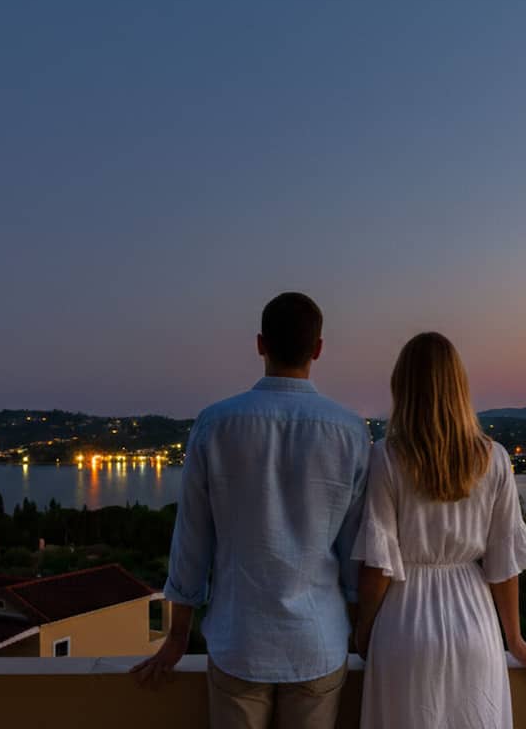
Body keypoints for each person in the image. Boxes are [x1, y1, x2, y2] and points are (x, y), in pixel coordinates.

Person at [131, 292, 370, 728]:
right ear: (318, 349)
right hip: (318, 643)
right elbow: (356, 549)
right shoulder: (350, 431)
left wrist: (177, 637)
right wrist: (360, 631)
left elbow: (191, 539)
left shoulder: (215, 424)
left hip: (239, 640)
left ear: (260, 344)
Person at [353, 332, 526, 729]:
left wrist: (364, 632)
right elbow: (504, 562)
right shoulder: (494, 457)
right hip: (475, 623)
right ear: (460, 387)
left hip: (403, 623)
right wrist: (513, 638)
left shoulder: (385, 456)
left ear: (402, 386)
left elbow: (379, 561)